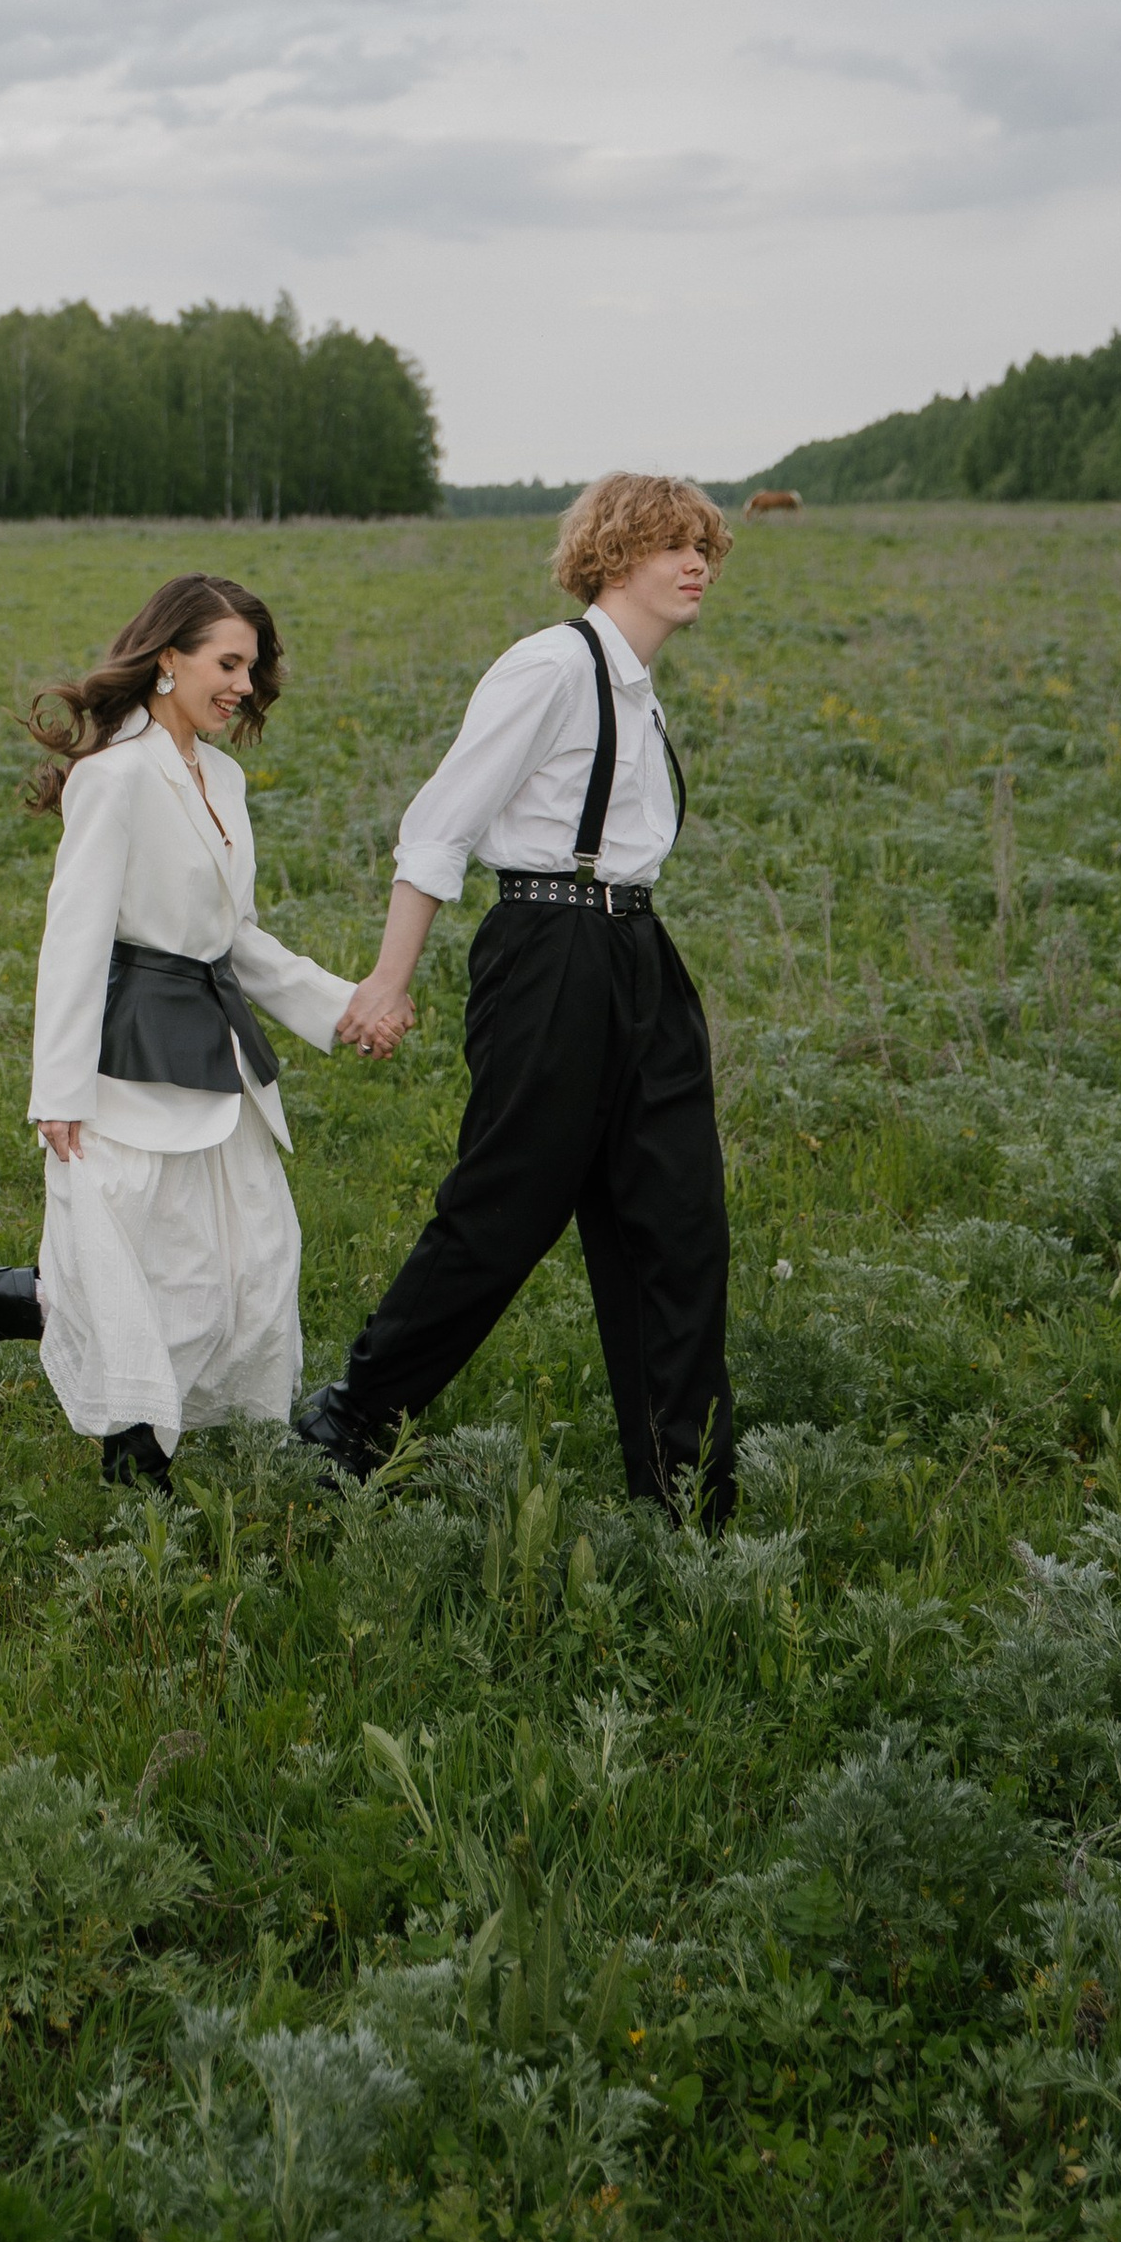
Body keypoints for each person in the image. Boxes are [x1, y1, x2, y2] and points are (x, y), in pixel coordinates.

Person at [296, 473, 737, 1524]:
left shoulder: (638, 686)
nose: (696, 565)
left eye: (707, 549)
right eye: (672, 545)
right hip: (550, 951)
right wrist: (390, 980)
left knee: (678, 1226)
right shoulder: (550, 667)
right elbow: (439, 824)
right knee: (505, 1211)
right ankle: (352, 1417)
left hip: (636, 950)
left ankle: (687, 1500)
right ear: (612, 556)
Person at [0, 573, 388, 1492]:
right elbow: (75, 936)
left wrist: (340, 1006)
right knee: (139, 1274)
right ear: (167, 659)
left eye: (252, 670)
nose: (244, 687)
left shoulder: (223, 775)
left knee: (240, 1265)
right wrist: (56, 1091)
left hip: (216, 1055)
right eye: (227, 663)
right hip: (128, 1059)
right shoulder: (113, 777)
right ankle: (135, 1470)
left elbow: (235, 939)